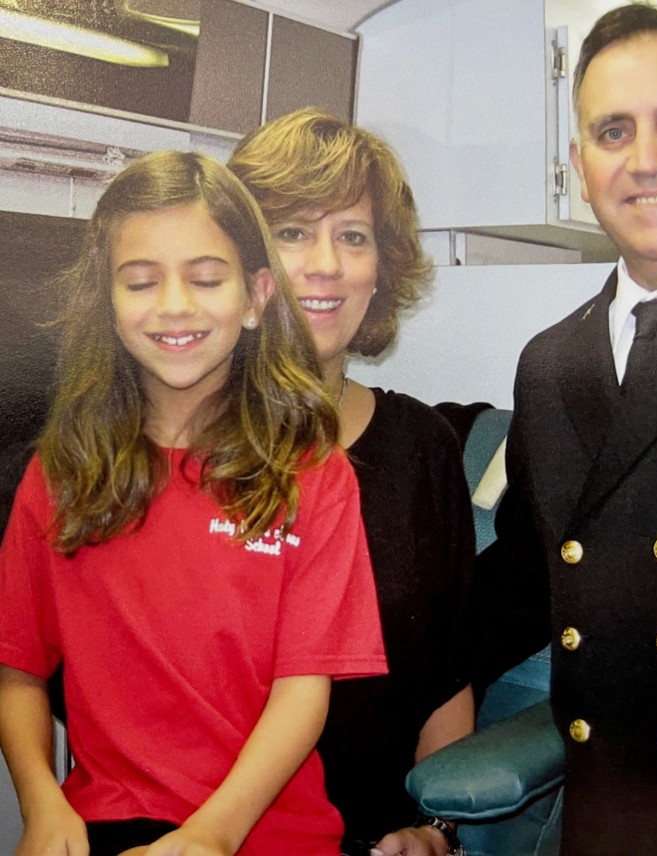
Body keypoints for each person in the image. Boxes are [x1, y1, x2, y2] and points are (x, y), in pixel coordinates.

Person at [0, 150, 388, 856]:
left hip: (265, 832)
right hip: (106, 826)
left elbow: (303, 692)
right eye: (141, 282)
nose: (175, 306)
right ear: (105, 301)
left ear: (255, 296)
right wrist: (42, 804)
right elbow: (18, 670)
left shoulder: (313, 473)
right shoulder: (59, 472)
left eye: (206, 279)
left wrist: (210, 836)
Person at [478, 3, 657, 854]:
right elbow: (524, 583)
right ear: (580, 163)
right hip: (607, 818)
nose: (646, 161)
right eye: (612, 131)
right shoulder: (551, 362)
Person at [229, 109, 475, 856]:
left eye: (353, 235)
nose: (325, 263)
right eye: (293, 231)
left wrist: (435, 829)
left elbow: (447, 673)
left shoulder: (424, 449)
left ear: (383, 267)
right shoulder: (176, 441)